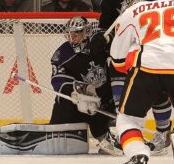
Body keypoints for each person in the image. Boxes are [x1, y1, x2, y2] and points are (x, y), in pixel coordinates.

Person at [108, 0, 174, 164]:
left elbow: (117, 60)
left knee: (127, 119)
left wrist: (127, 61)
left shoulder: (132, 11)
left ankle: (138, 157)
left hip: (147, 67)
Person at [92, 0, 174, 155]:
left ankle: (163, 135)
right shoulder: (108, 0)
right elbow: (104, 30)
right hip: (128, 50)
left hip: (152, 45)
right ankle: (131, 137)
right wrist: (99, 39)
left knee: (157, 91)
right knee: (119, 88)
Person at [49, 16, 121, 155]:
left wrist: (108, 40)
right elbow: (58, 80)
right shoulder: (62, 53)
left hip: (104, 102)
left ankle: (109, 135)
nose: (73, 37)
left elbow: (120, 45)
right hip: (79, 102)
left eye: (77, 32)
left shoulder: (97, 44)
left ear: (86, 31)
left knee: (112, 146)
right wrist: (75, 92)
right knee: (61, 108)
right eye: (70, 33)